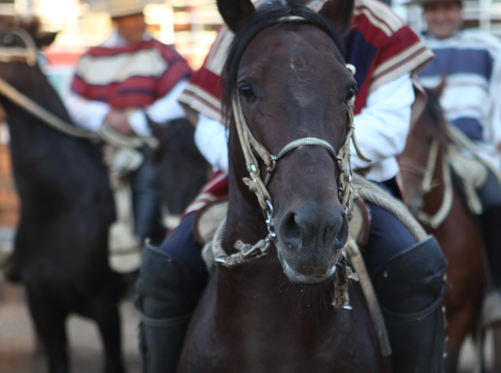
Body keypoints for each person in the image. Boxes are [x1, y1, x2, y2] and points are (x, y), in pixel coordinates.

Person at [136, 0, 448, 372]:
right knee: (163, 272)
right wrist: (261, 162)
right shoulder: (248, 21)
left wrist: (312, 154)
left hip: (359, 180)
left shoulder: (377, 22)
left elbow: (392, 125)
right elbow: (207, 122)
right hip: (249, 179)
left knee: (416, 270)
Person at [413, 0, 501, 328]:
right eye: (432, 10)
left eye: (447, 9)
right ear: (423, 14)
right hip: (417, 154)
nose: (440, 16)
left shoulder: (488, 47)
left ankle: (494, 289)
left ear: (461, 12)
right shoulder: (408, 49)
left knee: (496, 201)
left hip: (471, 152)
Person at [66, 0, 192, 246]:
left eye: (140, 14)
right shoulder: (92, 58)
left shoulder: (160, 53)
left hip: (148, 140)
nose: (139, 21)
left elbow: (183, 95)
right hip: (101, 140)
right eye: (131, 16)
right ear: (116, 21)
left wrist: (138, 120)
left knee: (148, 177)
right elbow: (73, 103)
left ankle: (139, 245)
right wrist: (105, 115)